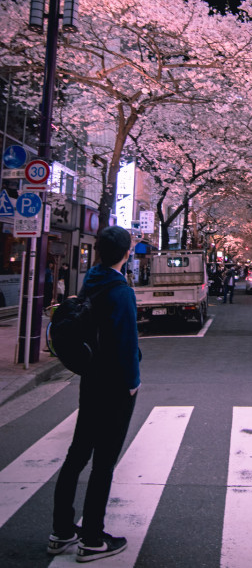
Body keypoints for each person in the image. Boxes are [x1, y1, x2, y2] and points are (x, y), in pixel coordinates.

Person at [48, 226, 141, 563]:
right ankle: (92, 538)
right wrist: (133, 382)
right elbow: (127, 344)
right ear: (126, 253)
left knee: (77, 454)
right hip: (115, 385)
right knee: (103, 463)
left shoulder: (91, 281)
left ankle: (61, 531)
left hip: (90, 379)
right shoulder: (121, 292)